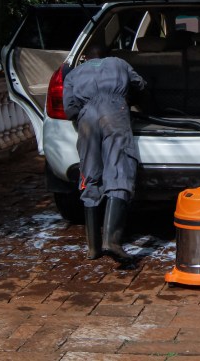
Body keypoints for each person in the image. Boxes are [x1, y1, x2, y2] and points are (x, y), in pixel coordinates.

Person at [63, 42, 147, 264]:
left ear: (86, 58)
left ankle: (93, 247)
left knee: (90, 172)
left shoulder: (74, 73)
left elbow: (69, 108)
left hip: (86, 117)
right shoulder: (119, 63)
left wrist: (86, 112)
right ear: (108, 55)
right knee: (119, 167)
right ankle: (112, 240)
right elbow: (139, 85)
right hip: (114, 111)